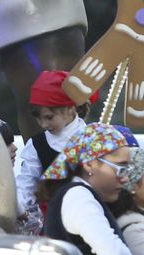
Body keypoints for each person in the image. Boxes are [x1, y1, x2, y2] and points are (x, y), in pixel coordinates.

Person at [40, 125, 142, 255]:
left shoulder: (76, 194)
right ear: (89, 164)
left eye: (127, 169)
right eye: (120, 168)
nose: (125, 179)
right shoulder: (79, 197)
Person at [13, 71, 92, 227]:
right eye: (38, 118)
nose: (43, 125)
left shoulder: (94, 138)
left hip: (90, 217)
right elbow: (26, 185)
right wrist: (19, 208)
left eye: (49, 117)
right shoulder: (37, 144)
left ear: (70, 108)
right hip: (53, 222)